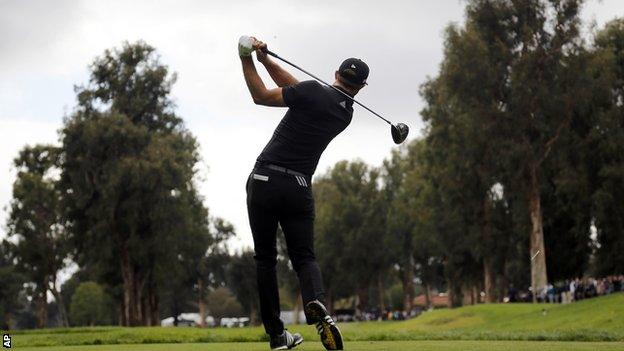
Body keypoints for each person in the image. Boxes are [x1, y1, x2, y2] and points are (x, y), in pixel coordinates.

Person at [239, 36, 369, 350]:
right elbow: (302, 92)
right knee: (304, 257)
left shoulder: (312, 92)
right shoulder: (344, 114)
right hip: (298, 188)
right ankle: (315, 301)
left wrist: (245, 58)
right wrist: (266, 61)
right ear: (361, 87)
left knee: (266, 260)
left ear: (335, 74)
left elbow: (261, 96)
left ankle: (276, 336)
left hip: (264, 179)